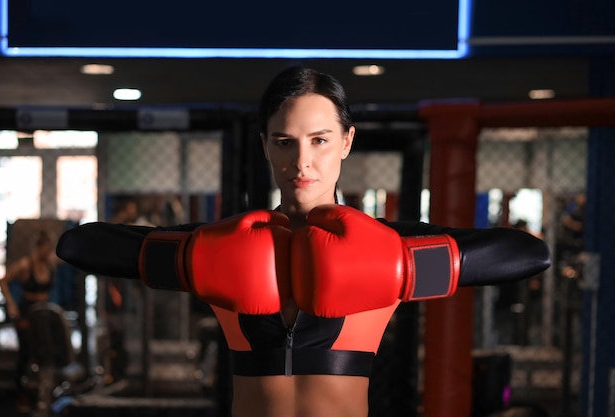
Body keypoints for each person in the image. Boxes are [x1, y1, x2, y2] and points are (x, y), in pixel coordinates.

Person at [56, 66, 551, 417]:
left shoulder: (392, 244)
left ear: (346, 142)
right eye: (284, 141)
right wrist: (189, 257)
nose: (302, 162)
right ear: (265, 144)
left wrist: (401, 265)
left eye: (319, 139)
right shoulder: (214, 244)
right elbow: (79, 246)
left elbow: (530, 253)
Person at [0, 229, 62, 411]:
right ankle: (21, 395)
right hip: (27, 311)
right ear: (39, 247)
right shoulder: (26, 265)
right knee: (25, 353)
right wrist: (11, 304)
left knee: (45, 352)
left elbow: (64, 259)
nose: (48, 252)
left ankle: (43, 393)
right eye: (46, 249)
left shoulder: (50, 263)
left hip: (44, 312)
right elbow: (3, 281)